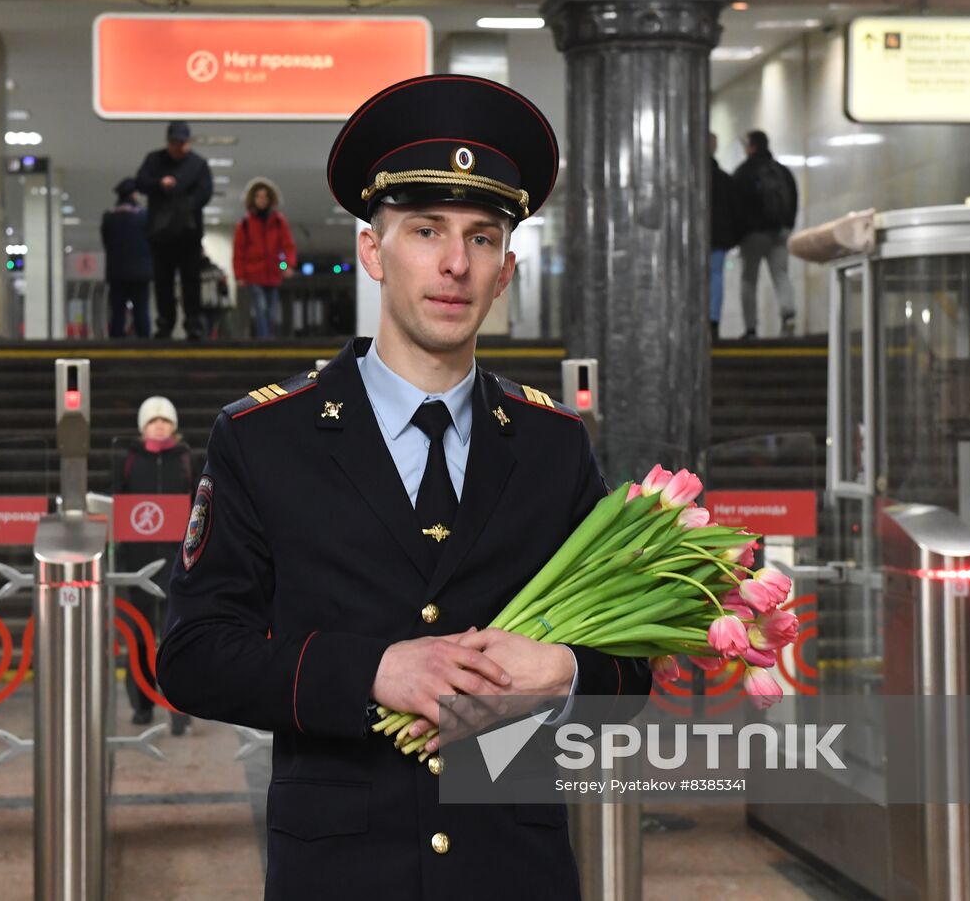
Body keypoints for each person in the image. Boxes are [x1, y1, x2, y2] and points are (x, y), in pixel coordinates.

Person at [157, 74, 651, 900]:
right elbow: (195, 655)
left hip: (515, 874)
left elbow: (631, 672)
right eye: (426, 230)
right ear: (372, 251)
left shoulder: (553, 444)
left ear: (507, 270)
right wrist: (371, 673)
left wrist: (563, 670)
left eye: (483, 237)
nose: (455, 263)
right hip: (340, 874)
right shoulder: (264, 439)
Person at [113, 395, 194, 733]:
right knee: (141, 632)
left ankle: (180, 707)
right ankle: (142, 704)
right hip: (138, 559)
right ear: (143, 427)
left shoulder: (186, 459)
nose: (159, 425)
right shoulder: (128, 459)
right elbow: (115, 502)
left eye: (165, 421)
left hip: (178, 559)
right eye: (152, 421)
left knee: (177, 634)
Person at [135, 121, 213, 340]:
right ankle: (165, 323)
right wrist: (160, 183)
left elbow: (205, 192)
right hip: (161, 234)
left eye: (182, 143)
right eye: (174, 143)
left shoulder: (197, 165)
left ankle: (193, 323)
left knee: (191, 280)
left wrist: (187, 203)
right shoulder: (154, 161)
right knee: (163, 281)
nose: (178, 147)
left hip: (188, 234)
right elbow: (140, 182)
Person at [733, 129, 799, 338]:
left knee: (749, 280)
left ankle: (751, 328)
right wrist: (787, 226)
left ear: (752, 146)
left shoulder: (744, 172)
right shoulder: (782, 171)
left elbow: (736, 205)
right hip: (780, 233)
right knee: (781, 275)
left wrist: (740, 232)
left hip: (753, 235)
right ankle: (788, 314)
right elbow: (794, 200)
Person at [233, 177, 298, 338]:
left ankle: (269, 337)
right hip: (253, 274)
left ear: (270, 199)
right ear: (253, 199)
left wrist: (288, 265)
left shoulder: (278, 222)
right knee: (260, 307)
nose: (262, 200)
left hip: (273, 274)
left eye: (265, 197)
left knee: (272, 309)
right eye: (258, 196)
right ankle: (264, 339)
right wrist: (239, 275)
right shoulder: (245, 224)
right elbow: (238, 251)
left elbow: (288, 245)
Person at [99, 178, 153, 338]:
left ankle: (116, 342)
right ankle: (144, 343)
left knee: (117, 310)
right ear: (134, 195)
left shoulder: (109, 217)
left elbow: (106, 242)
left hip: (116, 272)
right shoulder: (144, 216)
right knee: (141, 310)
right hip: (140, 273)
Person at [708, 133, 743, 342]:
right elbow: (736, 211)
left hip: (693, 241)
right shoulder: (724, 179)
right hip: (719, 238)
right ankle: (713, 320)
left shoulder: (688, 178)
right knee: (716, 277)